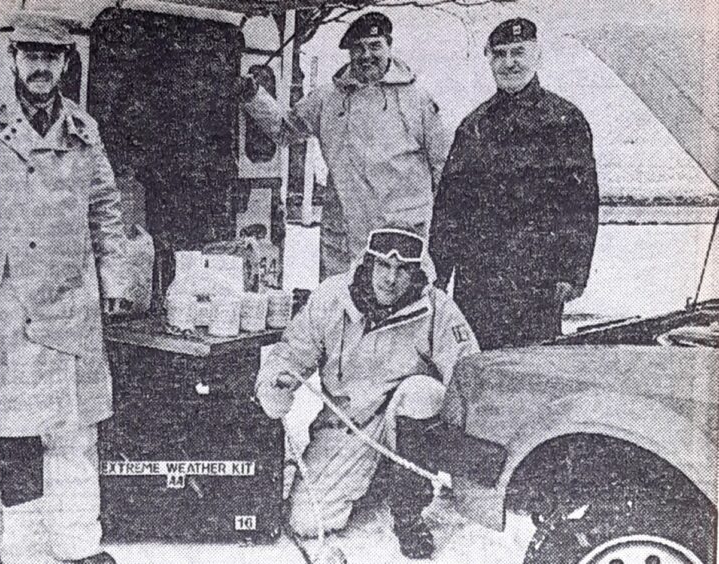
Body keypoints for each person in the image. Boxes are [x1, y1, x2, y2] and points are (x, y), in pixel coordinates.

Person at [0, 11, 129, 564]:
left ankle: (77, 546)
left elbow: (106, 209)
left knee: (74, 432)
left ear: (66, 63)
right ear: (14, 59)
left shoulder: (83, 131)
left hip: (69, 307)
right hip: (1, 309)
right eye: (30, 56)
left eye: (51, 57)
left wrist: (115, 279)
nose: (40, 67)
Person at [256, 225, 479, 558]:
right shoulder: (331, 297)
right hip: (348, 426)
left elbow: (469, 373)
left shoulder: (437, 308)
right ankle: (375, 478)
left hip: (401, 416)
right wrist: (275, 385)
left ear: (416, 272)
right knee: (305, 519)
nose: (390, 279)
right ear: (368, 263)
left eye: (403, 270)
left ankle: (408, 510)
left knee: (423, 393)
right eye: (383, 266)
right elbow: (291, 353)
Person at [429, 17, 600, 349]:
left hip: (539, 278)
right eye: (500, 54)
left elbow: (582, 204)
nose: (509, 63)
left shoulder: (564, 120)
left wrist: (573, 271)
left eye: (518, 52)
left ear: (537, 55)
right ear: (490, 59)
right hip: (479, 277)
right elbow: (450, 207)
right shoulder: (474, 126)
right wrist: (439, 272)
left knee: (535, 373)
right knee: (479, 366)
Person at [241, 12, 449, 278]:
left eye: (375, 46)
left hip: (400, 237)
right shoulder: (328, 98)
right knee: (340, 308)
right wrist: (253, 96)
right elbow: (284, 130)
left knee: (397, 310)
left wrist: (445, 231)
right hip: (343, 237)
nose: (366, 55)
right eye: (358, 48)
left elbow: (444, 167)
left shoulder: (417, 100)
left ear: (389, 46)